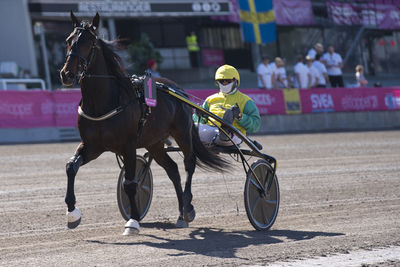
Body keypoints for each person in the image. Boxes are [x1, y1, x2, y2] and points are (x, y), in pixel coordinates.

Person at [193, 65, 261, 147]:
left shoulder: (246, 101)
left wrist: (240, 116)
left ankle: (225, 132)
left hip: (235, 134)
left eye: (228, 81)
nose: (224, 83)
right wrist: (198, 116)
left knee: (226, 133)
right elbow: (201, 123)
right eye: (221, 81)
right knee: (193, 127)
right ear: (217, 82)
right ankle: (223, 132)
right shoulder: (210, 99)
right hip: (211, 132)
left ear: (236, 81)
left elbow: (255, 126)